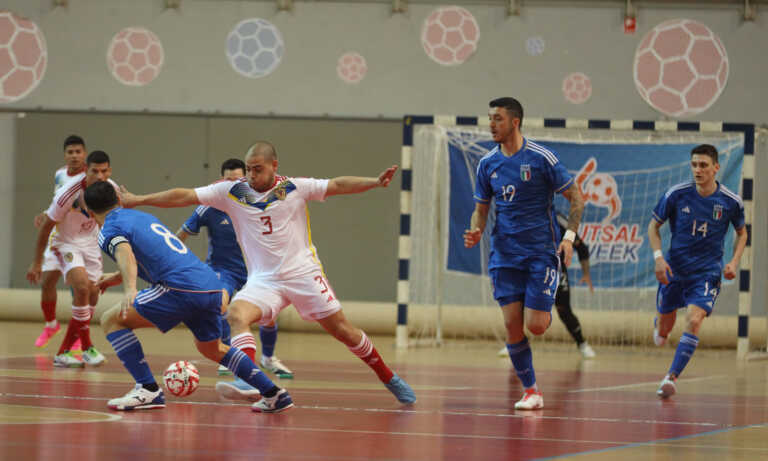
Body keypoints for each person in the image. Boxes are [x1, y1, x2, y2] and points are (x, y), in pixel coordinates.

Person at [119, 141, 416, 406]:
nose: (251, 175)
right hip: (264, 280)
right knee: (236, 314)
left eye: (257, 169)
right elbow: (183, 195)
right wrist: (138, 199)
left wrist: (375, 182)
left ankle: (389, 378)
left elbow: (338, 185)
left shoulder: (295, 188)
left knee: (343, 331)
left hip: (303, 274)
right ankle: (250, 382)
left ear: (274, 165)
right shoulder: (232, 192)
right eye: (248, 169)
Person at [84, 182, 292, 413]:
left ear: (90, 213)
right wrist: (115, 278)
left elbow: (126, 255)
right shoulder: (141, 217)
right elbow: (152, 256)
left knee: (112, 319)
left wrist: (129, 289)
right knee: (212, 349)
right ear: (119, 200)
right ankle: (274, 394)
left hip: (180, 288)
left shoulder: (109, 230)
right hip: (210, 285)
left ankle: (147, 389)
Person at [465, 97, 584, 410]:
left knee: (536, 325)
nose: (491, 124)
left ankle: (543, 300)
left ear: (514, 122)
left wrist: (569, 238)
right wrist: (475, 229)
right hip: (504, 255)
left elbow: (577, 198)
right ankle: (532, 391)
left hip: (540, 253)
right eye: (490, 118)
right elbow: (479, 211)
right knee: (512, 325)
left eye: (498, 119)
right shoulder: (487, 163)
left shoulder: (541, 157)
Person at [176, 158, 293, 379]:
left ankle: (268, 358)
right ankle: (228, 354)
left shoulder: (259, 202)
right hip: (223, 270)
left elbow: (287, 197)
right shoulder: (208, 207)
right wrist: (173, 263)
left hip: (255, 270)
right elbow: (179, 237)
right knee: (220, 303)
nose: (232, 185)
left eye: (237, 180)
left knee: (269, 316)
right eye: (227, 180)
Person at [649, 144, 747, 399]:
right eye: (694, 165)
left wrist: (734, 262)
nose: (697, 170)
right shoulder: (676, 194)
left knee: (693, 320)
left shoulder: (730, 201)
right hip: (675, 270)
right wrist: (659, 258)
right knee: (663, 331)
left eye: (703, 165)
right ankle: (660, 325)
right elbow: (653, 227)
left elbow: (742, 232)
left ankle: (671, 378)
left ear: (716, 168)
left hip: (706, 273)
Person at [27, 150, 114, 368]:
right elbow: (46, 227)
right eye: (95, 171)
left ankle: (64, 352)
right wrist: (37, 262)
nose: (100, 176)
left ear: (109, 171)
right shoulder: (69, 192)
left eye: (104, 171)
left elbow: (113, 220)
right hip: (65, 242)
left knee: (92, 295)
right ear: (87, 170)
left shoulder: (110, 189)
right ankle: (86, 347)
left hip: (91, 244)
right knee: (82, 288)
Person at [496, 212, 595, 359]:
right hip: (531, 270)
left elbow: (581, 247)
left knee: (564, 310)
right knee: (518, 305)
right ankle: (515, 344)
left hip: (556, 271)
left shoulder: (558, 219)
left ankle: (582, 344)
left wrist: (586, 274)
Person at [33, 135, 87, 350]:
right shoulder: (59, 174)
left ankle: (77, 335)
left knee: (78, 286)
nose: (74, 156)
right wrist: (46, 213)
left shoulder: (88, 178)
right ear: (65, 155)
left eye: (78, 152)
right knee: (47, 282)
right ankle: (51, 324)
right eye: (70, 152)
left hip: (78, 239)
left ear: (84, 154)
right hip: (57, 236)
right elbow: (58, 202)